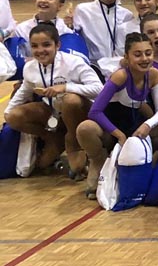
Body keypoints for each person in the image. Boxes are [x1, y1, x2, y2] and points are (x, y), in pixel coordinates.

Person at [78, 31, 158, 200]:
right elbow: (95, 111)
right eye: (137, 55)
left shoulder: (153, 74)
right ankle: (98, 160)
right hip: (110, 126)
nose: (144, 59)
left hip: (134, 125)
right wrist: (118, 134)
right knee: (85, 128)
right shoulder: (120, 76)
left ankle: (151, 162)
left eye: (148, 53)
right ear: (127, 57)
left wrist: (148, 125)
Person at [3, 22, 100, 178]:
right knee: (14, 117)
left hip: (82, 115)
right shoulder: (30, 68)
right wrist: (7, 114)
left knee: (70, 100)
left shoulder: (74, 63)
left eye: (46, 45)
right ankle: (53, 137)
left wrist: (66, 87)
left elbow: (98, 89)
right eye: (35, 46)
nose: (40, 50)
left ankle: (75, 142)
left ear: (58, 45)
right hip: (54, 114)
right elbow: (23, 92)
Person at [74, 0, 136, 68]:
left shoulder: (127, 15)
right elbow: (74, 36)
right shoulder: (83, 10)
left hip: (120, 67)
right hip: (93, 66)